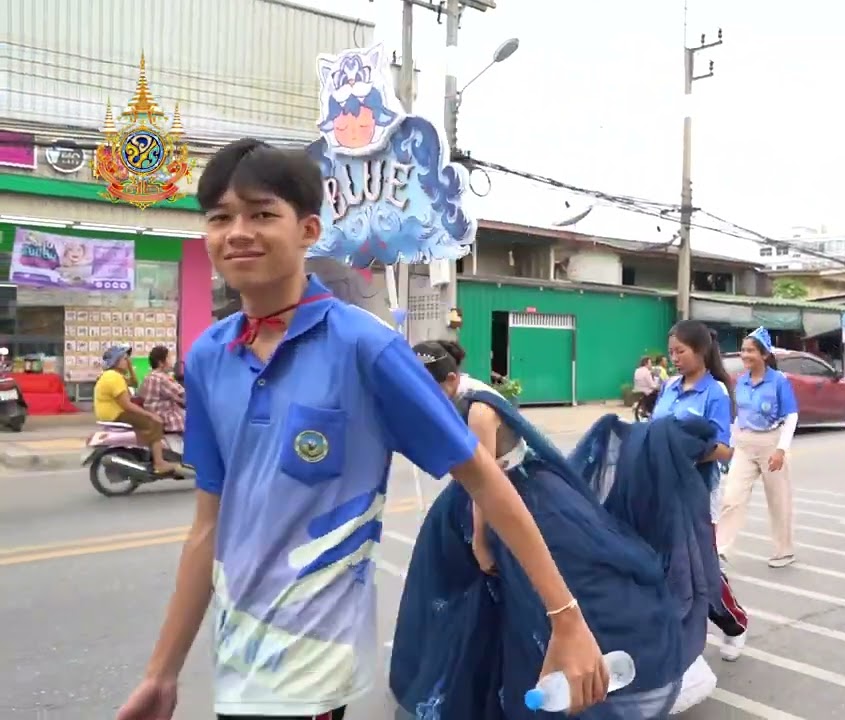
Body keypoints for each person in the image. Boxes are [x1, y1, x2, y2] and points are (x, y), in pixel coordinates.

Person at [115, 139, 608, 720]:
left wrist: (566, 617)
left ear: (308, 229)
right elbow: (208, 526)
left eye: (261, 213)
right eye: (220, 217)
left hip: (313, 670)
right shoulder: (207, 357)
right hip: (237, 660)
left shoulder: (365, 347)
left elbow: (484, 477)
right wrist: (162, 674)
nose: (238, 231)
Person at [391, 341, 683, 719]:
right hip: (482, 497)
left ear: (451, 378)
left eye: (429, 388)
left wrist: (481, 541)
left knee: (529, 589)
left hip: (518, 496)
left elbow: (487, 483)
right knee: (481, 597)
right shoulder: (458, 394)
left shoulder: (479, 409)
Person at [649, 320, 747, 695]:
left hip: (695, 492)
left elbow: (723, 448)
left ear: (700, 350)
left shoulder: (716, 393)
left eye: (680, 352)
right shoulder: (670, 388)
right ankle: (679, 642)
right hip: (659, 487)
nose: (674, 358)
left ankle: (734, 624)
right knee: (663, 566)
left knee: (700, 567)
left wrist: (682, 452)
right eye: (671, 352)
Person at [717, 327, 799, 568]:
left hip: (771, 443)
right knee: (732, 497)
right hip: (744, 444)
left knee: (778, 500)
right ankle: (720, 549)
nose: (744, 355)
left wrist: (781, 450)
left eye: (750, 350)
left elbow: (791, 416)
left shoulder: (778, 381)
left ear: (764, 355)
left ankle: (783, 550)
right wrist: (729, 446)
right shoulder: (740, 382)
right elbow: (736, 417)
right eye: (743, 350)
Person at [94, 344, 179, 476]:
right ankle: (159, 462)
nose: (127, 361)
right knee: (155, 422)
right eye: (124, 359)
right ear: (115, 361)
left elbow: (134, 383)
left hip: (115, 413)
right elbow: (127, 405)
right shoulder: (113, 377)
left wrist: (129, 367)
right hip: (117, 414)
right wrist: (150, 415)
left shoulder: (116, 375)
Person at [138, 346, 186, 435]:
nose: (172, 360)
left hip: (152, 416)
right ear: (161, 363)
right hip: (166, 420)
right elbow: (182, 394)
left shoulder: (147, 377)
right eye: (169, 357)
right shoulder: (162, 378)